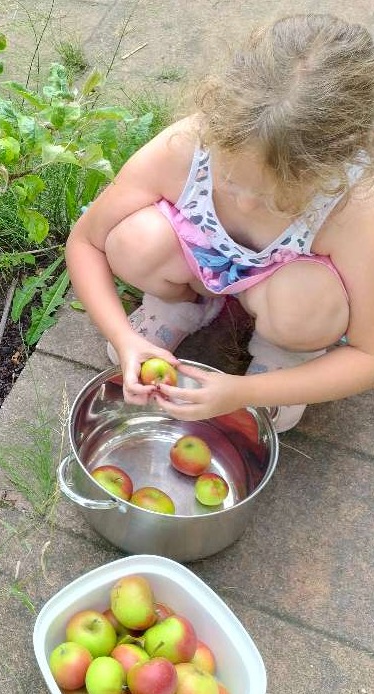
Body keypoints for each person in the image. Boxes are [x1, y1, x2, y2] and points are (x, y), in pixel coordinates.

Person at [64, 14, 374, 432]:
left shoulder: (353, 205)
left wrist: (244, 394)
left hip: (286, 290)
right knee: (134, 241)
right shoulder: (189, 145)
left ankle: (284, 357)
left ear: (330, 170)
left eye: (272, 198)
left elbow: (367, 354)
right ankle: (178, 308)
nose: (245, 202)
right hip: (197, 262)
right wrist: (124, 337)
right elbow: (87, 242)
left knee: (306, 306)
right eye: (228, 179)